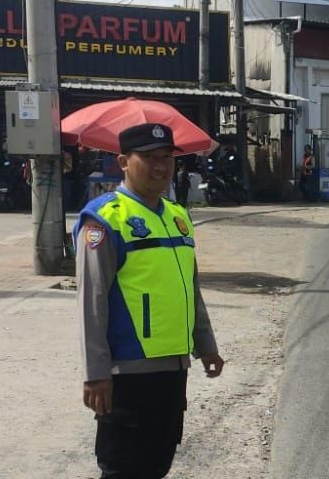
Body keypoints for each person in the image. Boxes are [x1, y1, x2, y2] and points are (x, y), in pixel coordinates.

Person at [75, 123, 225, 479]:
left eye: (167, 158)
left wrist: (206, 345)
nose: (160, 166)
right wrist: (96, 373)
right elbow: (91, 302)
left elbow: (189, 288)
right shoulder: (105, 219)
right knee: (122, 468)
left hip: (173, 367)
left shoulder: (177, 216)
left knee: (158, 463)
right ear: (123, 162)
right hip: (128, 371)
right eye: (149, 158)